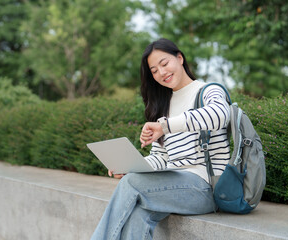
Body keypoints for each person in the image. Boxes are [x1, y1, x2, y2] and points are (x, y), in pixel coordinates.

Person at [91, 38, 230, 240]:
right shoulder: (164, 106)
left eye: (164, 64)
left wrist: (166, 126)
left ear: (180, 58)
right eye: (154, 71)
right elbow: (161, 158)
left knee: (131, 183)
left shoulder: (208, 91)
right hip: (175, 187)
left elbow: (220, 114)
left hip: (206, 189)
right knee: (138, 214)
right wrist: (130, 166)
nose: (161, 73)